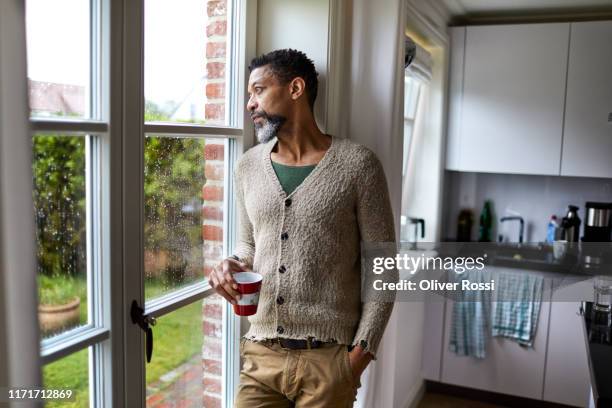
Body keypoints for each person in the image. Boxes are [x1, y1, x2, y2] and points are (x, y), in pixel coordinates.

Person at [208, 48, 397, 407]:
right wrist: (231, 263)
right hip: (260, 356)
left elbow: (383, 269)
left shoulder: (359, 165)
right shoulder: (248, 166)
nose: (250, 104)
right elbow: (250, 245)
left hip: (328, 362)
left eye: (258, 90)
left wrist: (358, 358)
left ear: (295, 89)